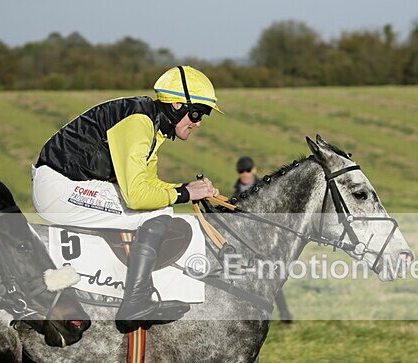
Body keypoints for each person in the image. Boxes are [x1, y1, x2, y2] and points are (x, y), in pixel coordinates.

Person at [32, 66, 222, 333]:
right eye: (196, 113)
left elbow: (149, 184)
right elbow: (137, 196)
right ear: (177, 105)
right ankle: (135, 301)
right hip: (60, 189)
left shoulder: (152, 124)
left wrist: (187, 188)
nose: (199, 122)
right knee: (156, 212)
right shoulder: (139, 121)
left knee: (161, 207)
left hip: (68, 183)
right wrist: (186, 193)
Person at [233, 156, 293, 323]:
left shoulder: (267, 188)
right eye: (241, 171)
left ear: (254, 170)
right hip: (245, 239)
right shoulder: (237, 191)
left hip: (266, 238)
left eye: (247, 170)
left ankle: (284, 313)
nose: (244, 174)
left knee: (270, 275)